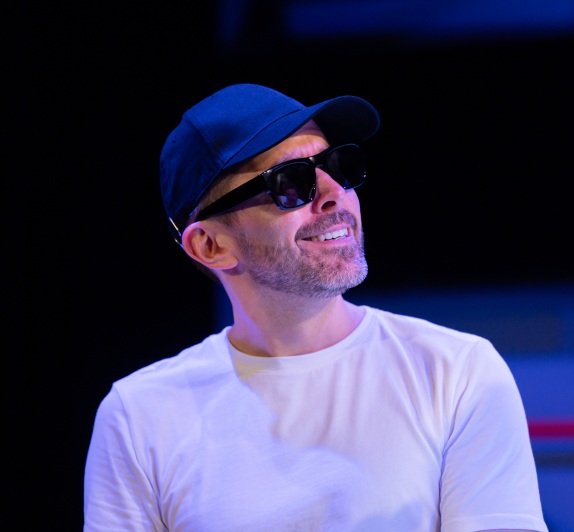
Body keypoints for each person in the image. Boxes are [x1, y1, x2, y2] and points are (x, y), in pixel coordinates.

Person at [83, 83, 549, 532]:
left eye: (338, 166)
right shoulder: (140, 415)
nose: (334, 194)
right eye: (291, 182)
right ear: (210, 245)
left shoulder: (457, 372)